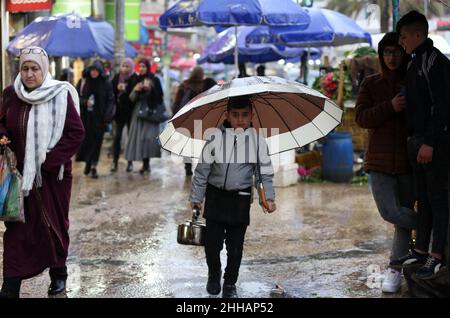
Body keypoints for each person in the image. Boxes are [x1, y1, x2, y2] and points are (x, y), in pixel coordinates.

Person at [0, 46, 85, 298]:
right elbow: (2, 123)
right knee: (16, 228)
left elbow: (76, 133)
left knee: (53, 225)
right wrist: (3, 137)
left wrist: (49, 163)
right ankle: (11, 283)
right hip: (19, 177)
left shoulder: (60, 94)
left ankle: (58, 275)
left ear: (44, 69)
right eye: (24, 68)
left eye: (34, 68)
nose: (28, 74)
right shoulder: (10, 94)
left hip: (52, 177)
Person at [190, 95, 276, 298]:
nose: (240, 119)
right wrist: (197, 198)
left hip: (240, 199)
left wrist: (269, 197)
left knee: (235, 247)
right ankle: (214, 273)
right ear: (227, 115)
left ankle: (230, 283)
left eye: (245, 115)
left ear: (251, 115)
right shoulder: (214, 137)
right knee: (212, 246)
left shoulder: (257, 141)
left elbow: (263, 173)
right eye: (235, 115)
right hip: (215, 197)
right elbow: (202, 170)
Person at [355, 32, 417, 293]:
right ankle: (433, 225)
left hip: (407, 161)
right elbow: (362, 118)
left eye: (396, 52)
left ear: (404, 54)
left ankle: (394, 269)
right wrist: (390, 106)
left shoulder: (413, 81)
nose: (392, 57)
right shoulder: (371, 84)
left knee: (401, 218)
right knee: (390, 212)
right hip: (379, 162)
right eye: (387, 52)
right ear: (381, 55)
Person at [396, 10, 450, 279]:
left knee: (438, 200)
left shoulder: (435, 61)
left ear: (419, 34)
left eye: (404, 36)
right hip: (415, 141)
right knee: (423, 200)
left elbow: (442, 107)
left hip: (434, 144)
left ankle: (436, 256)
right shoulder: (413, 63)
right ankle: (420, 251)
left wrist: (430, 143)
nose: (401, 42)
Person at [76, 60, 115, 179]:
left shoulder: (106, 84)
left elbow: (110, 100)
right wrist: (84, 102)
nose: (94, 73)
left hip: (100, 120)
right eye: (92, 70)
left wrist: (107, 115)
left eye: (96, 70)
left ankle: (93, 166)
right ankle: (88, 162)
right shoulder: (83, 82)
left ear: (100, 71)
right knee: (87, 143)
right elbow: (75, 97)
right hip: (86, 119)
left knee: (97, 144)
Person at [125, 58, 163, 175]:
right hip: (138, 113)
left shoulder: (154, 79)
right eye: (140, 66)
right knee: (139, 139)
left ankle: (147, 163)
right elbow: (130, 99)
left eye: (144, 66)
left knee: (148, 139)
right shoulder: (135, 80)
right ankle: (141, 163)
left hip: (150, 114)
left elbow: (160, 97)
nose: (141, 69)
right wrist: (135, 90)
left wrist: (150, 89)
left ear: (148, 68)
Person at [172, 66, 205, 176]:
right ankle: (201, 167)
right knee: (200, 143)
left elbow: (177, 102)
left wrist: (174, 117)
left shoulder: (184, 84)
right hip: (200, 119)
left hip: (186, 118)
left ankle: (188, 167)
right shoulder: (204, 85)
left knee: (187, 144)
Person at [110, 58, 137, 172]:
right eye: (123, 66)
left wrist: (127, 90)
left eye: (127, 66)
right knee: (117, 137)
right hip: (119, 113)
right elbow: (110, 93)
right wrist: (116, 90)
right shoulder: (116, 78)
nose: (125, 68)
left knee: (130, 139)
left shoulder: (134, 78)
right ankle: (114, 162)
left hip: (131, 113)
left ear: (131, 67)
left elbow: (135, 96)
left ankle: (130, 162)